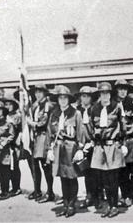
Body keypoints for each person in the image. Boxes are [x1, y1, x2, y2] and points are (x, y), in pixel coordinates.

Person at [47, 85, 86, 217]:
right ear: (57, 100)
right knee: (63, 177)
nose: (63, 100)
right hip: (58, 148)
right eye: (60, 98)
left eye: (65, 98)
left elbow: (81, 133)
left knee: (72, 177)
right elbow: (49, 133)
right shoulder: (54, 114)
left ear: (69, 99)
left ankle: (71, 205)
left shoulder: (76, 113)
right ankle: (65, 203)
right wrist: (49, 150)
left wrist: (80, 150)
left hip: (71, 148)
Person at [90, 82, 126, 218]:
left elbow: (123, 127)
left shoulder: (117, 107)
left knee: (113, 179)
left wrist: (121, 143)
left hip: (113, 146)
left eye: (107, 93)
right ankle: (109, 205)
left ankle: (114, 205)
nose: (104, 96)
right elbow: (92, 126)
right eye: (102, 93)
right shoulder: (95, 108)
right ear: (99, 95)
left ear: (110, 94)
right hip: (100, 147)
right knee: (104, 179)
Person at [26, 84, 55, 203]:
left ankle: (50, 192)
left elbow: (42, 123)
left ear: (44, 93)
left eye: (40, 92)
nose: (37, 94)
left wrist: (29, 123)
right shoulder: (35, 106)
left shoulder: (48, 106)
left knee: (46, 166)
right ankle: (37, 189)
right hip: (35, 138)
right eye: (36, 92)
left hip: (44, 136)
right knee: (35, 165)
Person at [114, 79, 133, 207]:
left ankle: (131, 192)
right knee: (121, 169)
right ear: (116, 90)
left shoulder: (132, 103)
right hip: (118, 140)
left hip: (131, 139)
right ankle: (125, 195)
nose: (123, 91)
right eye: (120, 89)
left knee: (132, 168)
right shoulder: (113, 103)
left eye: (125, 89)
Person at [75, 86, 101, 209]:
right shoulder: (77, 111)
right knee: (87, 173)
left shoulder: (95, 109)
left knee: (97, 172)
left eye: (88, 96)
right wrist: (80, 145)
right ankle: (89, 195)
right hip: (82, 145)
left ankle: (99, 197)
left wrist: (92, 142)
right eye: (83, 96)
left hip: (94, 144)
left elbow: (98, 126)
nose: (85, 98)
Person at [3, 93, 23, 196]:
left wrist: (19, 136)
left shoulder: (17, 115)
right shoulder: (4, 115)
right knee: (7, 166)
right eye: (6, 104)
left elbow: (21, 128)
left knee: (15, 165)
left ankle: (17, 187)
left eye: (10, 104)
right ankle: (10, 186)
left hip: (14, 142)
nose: (8, 106)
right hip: (6, 143)